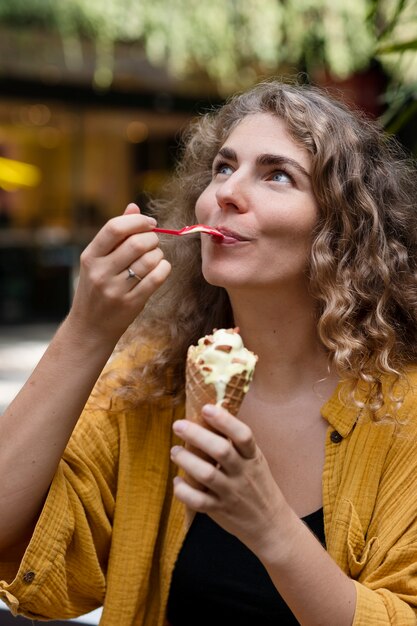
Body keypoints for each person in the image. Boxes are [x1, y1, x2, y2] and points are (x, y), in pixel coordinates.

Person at [1, 79, 417, 626]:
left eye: (276, 175)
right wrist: (87, 330)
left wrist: (270, 527)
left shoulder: (404, 411)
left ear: (343, 231)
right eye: (223, 167)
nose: (225, 193)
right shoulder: (151, 378)